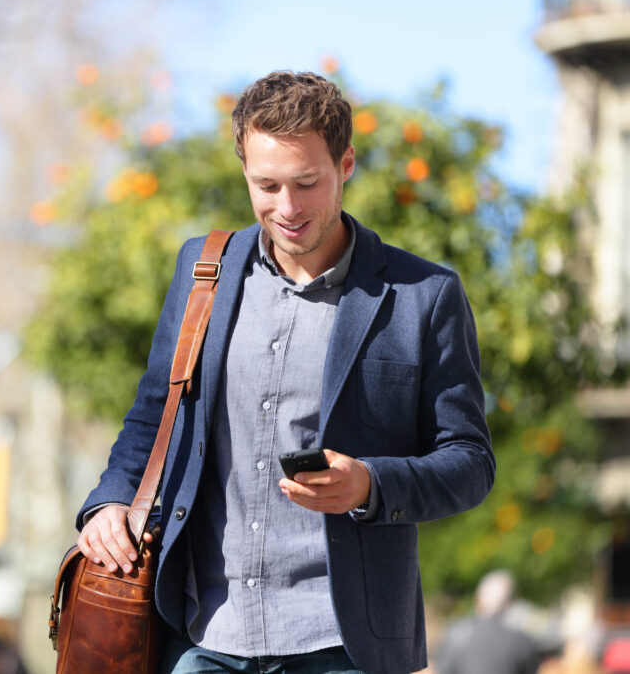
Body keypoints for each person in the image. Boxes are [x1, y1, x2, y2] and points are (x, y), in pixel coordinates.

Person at [75, 70, 495, 674]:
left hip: (343, 647)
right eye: (266, 185)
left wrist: (371, 485)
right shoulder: (203, 273)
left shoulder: (425, 295)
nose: (288, 208)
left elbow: (470, 463)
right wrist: (109, 502)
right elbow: (153, 414)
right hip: (201, 638)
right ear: (243, 168)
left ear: (346, 163)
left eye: (307, 183)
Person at [435, 570, 541, 674]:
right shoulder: (521, 642)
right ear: (510, 603)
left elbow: (442, 669)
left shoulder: (456, 635)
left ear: (478, 601)